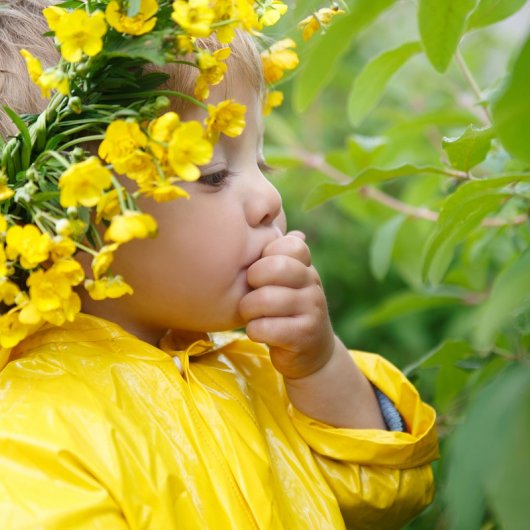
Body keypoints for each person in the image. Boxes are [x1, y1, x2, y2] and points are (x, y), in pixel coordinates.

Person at [0, 1, 438, 528]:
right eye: (212, 174)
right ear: (65, 220)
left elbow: (386, 494)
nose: (269, 198)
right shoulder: (35, 432)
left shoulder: (255, 365)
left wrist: (320, 366)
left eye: (261, 161)